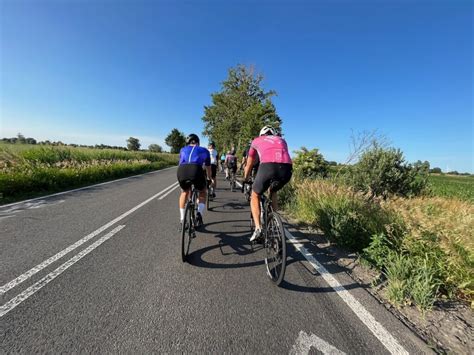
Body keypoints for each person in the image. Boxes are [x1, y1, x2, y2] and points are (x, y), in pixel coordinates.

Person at [243, 126, 292, 242]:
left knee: (255, 195)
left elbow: (249, 163)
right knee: (273, 190)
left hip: (268, 167)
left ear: (261, 134)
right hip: (287, 169)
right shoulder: (282, 140)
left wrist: (245, 178)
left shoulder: (256, 140)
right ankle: (275, 219)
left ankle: (258, 229)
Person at [177, 134, 212, 228]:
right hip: (196, 170)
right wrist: (209, 178)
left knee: (184, 192)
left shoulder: (182, 149)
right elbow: (208, 167)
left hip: (182, 170)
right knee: (202, 191)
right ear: (198, 142)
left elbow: (180, 163)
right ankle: (199, 214)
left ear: (188, 143)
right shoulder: (204, 150)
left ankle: (182, 219)